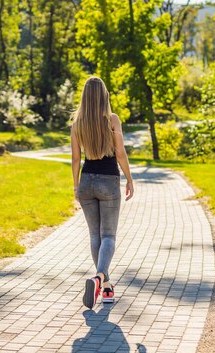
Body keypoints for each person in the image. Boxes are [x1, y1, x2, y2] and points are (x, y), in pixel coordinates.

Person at [69, 76, 134, 310]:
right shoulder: (112, 120)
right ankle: (99, 277)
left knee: (94, 236)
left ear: (85, 97)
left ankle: (106, 287)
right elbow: (120, 154)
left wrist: (76, 186)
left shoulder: (77, 123)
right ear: (104, 95)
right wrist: (129, 178)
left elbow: (76, 158)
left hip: (86, 181)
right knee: (108, 236)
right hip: (108, 182)